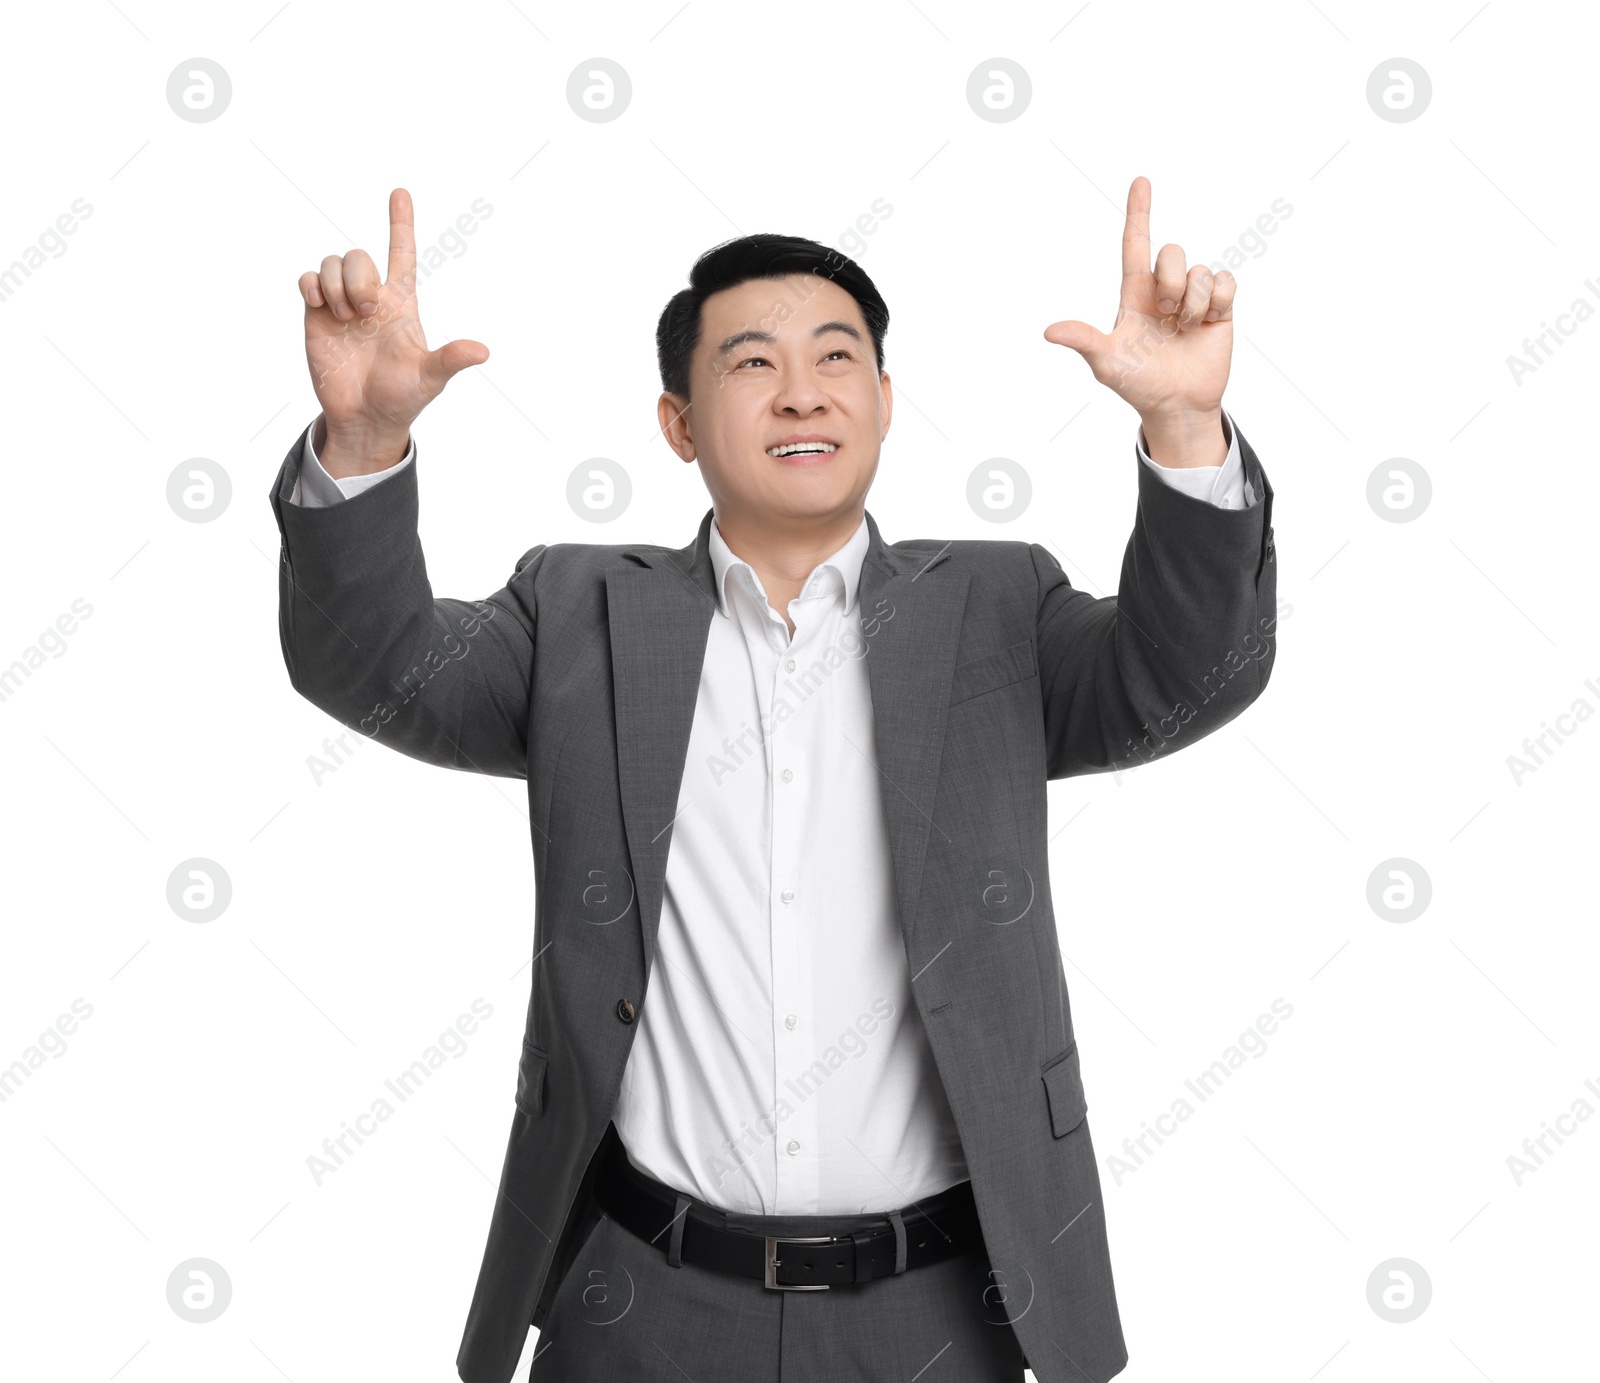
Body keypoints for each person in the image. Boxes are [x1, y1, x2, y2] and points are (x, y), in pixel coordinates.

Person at [268, 177, 1277, 1383]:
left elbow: (1194, 675)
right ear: (680, 422)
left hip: (944, 1308)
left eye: (836, 356)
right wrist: (367, 445)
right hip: (640, 1300)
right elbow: (373, 668)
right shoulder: (578, 610)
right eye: (751, 363)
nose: (802, 391)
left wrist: (1182, 433)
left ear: (885, 402)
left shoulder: (997, 608)